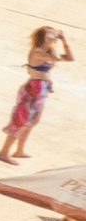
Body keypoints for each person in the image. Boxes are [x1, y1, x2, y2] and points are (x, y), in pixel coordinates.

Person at [14, 25, 71, 164]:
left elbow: (70, 58)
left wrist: (64, 41)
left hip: (42, 88)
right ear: (42, 38)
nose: (53, 37)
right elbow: (56, 57)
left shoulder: (46, 51)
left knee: (33, 121)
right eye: (50, 35)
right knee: (24, 120)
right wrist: (53, 43)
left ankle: (19, 150)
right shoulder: (37, 52)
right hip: (35, 87)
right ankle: (6, 151)